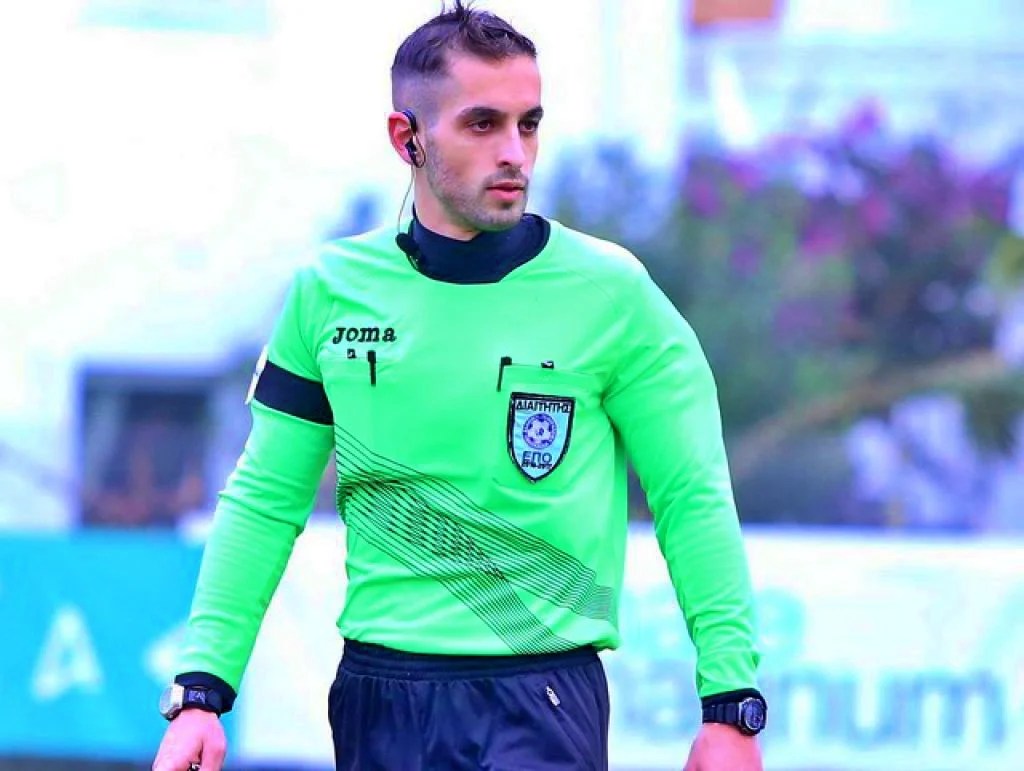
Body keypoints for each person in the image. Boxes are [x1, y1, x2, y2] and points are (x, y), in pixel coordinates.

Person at [152, 3, 766, 770]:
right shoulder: (328, 291)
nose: (514, 152)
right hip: (380, 697)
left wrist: (731, 703)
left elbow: (691, 494)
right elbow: (264, 499)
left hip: (542, 695)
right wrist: (202, 689)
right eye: (483, 124)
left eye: (528, 124)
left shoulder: (614, 296)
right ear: (406, 137)